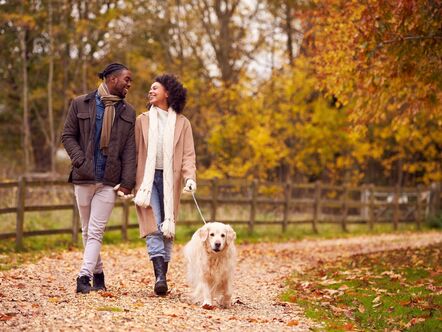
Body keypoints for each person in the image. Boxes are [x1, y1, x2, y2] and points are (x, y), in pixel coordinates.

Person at [61, 63, 136, 294]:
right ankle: (98, 273)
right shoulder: (80, 103)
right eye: (127, 79)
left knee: (95, 231)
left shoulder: (127, 112)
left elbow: (130, 150)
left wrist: (127, 182)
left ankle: (83, 277)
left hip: (108, 181)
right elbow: (67, 135)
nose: (129, 84)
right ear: (112, 79)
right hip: (83, 176)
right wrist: (80, 160)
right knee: (87, 229)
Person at [134, 74, 196, 296]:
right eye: (149, 89)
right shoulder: (141, 120)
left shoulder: (183, 123)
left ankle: (163, 277)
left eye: (155, 88)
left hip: (172, 182)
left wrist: (190, 178)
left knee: (167, 229)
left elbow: (188, 155)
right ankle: (159, 277)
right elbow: (132, 153)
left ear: (167, 93)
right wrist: (125, 181)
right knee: (153, 225)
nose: (150, 91)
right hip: (146, 181)